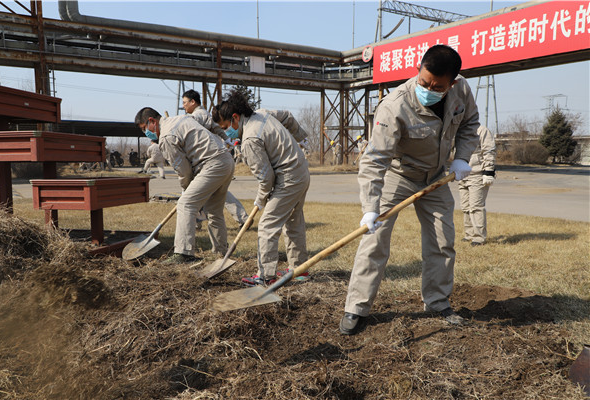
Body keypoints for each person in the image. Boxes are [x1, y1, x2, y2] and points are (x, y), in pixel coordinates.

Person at [339, 44, 480, 335]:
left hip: (437, 176)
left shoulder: (461, 91)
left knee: (443, 240)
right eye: (423, 81)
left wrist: (463, 157)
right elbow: (375, 160)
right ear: (418, 69)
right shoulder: (394, 106)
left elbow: (470, 124)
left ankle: (437, 302)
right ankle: (356, 307)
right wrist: (370, 209)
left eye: (436, 86)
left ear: (452, 82)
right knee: (374, 240)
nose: (427, 88)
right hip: (399, 175)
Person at [213, 88, 310, 286]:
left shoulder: (250, 139)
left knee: (267, 225)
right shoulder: (263, 114)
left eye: (225, 126)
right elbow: (289, 117)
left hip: (289, 177)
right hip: (301, 171)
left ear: (235, 118)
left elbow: (266, 178)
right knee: (293, 221)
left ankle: (265, 276)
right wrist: (301, 137)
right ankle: (299, 269)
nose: (227, 132)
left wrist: (260, 200)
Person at [134, 107, 235, 264]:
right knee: (214, 210)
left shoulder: (166, 137)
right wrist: (224, 137)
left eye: (144, 128)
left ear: (152, 121)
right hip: (226, 160)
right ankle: (221, 252)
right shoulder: (182, 118)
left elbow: (184, 171)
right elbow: (210, 124)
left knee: (185, 204)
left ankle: (184, 253)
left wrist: (186, 189)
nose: (146, 133)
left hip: (212, 164)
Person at [182, 89, 248, 227]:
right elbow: (217, 128)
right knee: (218, 192)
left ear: (193, 102)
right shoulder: (204, 114)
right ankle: (242, 218)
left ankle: (195, 222)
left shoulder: (197, 115)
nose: (183, 106)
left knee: (191, 194)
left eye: (185, 102)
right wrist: (227, 139)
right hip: (212, 159)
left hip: (204, 159)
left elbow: (189, 127)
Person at [458, 125, 496, 246]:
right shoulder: (459, 131)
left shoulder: (482, 130)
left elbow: (489, 150)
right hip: (462, 174)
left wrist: (489, 171)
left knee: (476, 207)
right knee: (465, 207)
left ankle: (479, 237)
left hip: (477, 174)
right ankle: (469, 234)